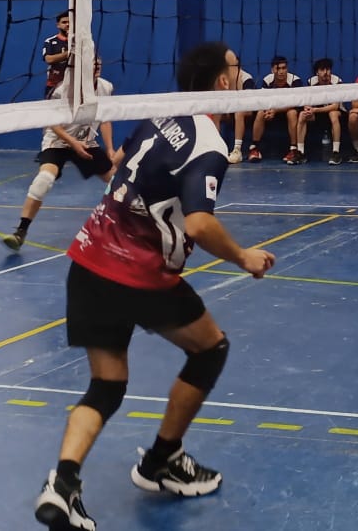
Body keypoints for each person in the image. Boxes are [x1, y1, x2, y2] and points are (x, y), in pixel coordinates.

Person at [33, 42, 276, 531]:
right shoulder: (208, 144)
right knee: (210, 349)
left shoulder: (159, 111)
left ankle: (62, 485)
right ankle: (161, 461)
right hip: (139, 275)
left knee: (106, 385)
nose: (241, 74)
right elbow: (201, 224)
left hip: (89, 259)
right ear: (222, 82)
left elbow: (121, 161)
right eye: (235, 68)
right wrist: (244, 256)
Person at [4, 57, 117, 251]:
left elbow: (105, 119)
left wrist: (110, 149)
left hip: (86, 141)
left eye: (98, 62)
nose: (97, 66)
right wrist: (73, 143)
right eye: (92, 63)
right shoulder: (62, 90)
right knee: (43, 180)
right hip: (58, 141)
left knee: (119, 184)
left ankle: (126, 229)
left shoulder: (106, 87)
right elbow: (53, 123)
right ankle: (20, 232)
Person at [248, 56, 302, 163]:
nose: (281, 71)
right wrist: (269, 111)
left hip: (288, 110)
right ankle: (254, 149)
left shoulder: (295, 80)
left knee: (292, 113)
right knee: (261, 112)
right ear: (272, 70)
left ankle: (293, 150)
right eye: (278, 68)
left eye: (284, 68)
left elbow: (295, 103)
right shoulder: (267, 80)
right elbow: (264, 100)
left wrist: (275, 110)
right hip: (272, 110)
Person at [295, 57, 344, 165]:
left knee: (333, 114)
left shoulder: (337, 81)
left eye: (328, 69)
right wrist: (308, 108)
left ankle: (336, 152)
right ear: (317, 72)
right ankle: (300, 152)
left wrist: (316, 109)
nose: (325, 73)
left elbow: (335, 106)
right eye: (322, 70)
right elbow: (307, 101)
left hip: (336, 114)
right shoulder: (311, 82)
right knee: (302, 114)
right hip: (318, 114)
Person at [224, 66, 257, 165]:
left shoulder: (246, 78)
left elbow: (249, 102)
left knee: (239, 112)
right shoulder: (223, 78)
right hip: (230, 109)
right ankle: (214, 149)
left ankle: (237, 150)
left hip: (248, 111)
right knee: (213, 112)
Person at [42, 10, 72, 98]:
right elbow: (49, 59)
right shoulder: (50, 41)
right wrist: (70, 53)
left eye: (70, 22)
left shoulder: (80, 40)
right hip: (54, 85)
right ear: (58, 25)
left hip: (75, 84)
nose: (67, 24)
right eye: (64, 22)